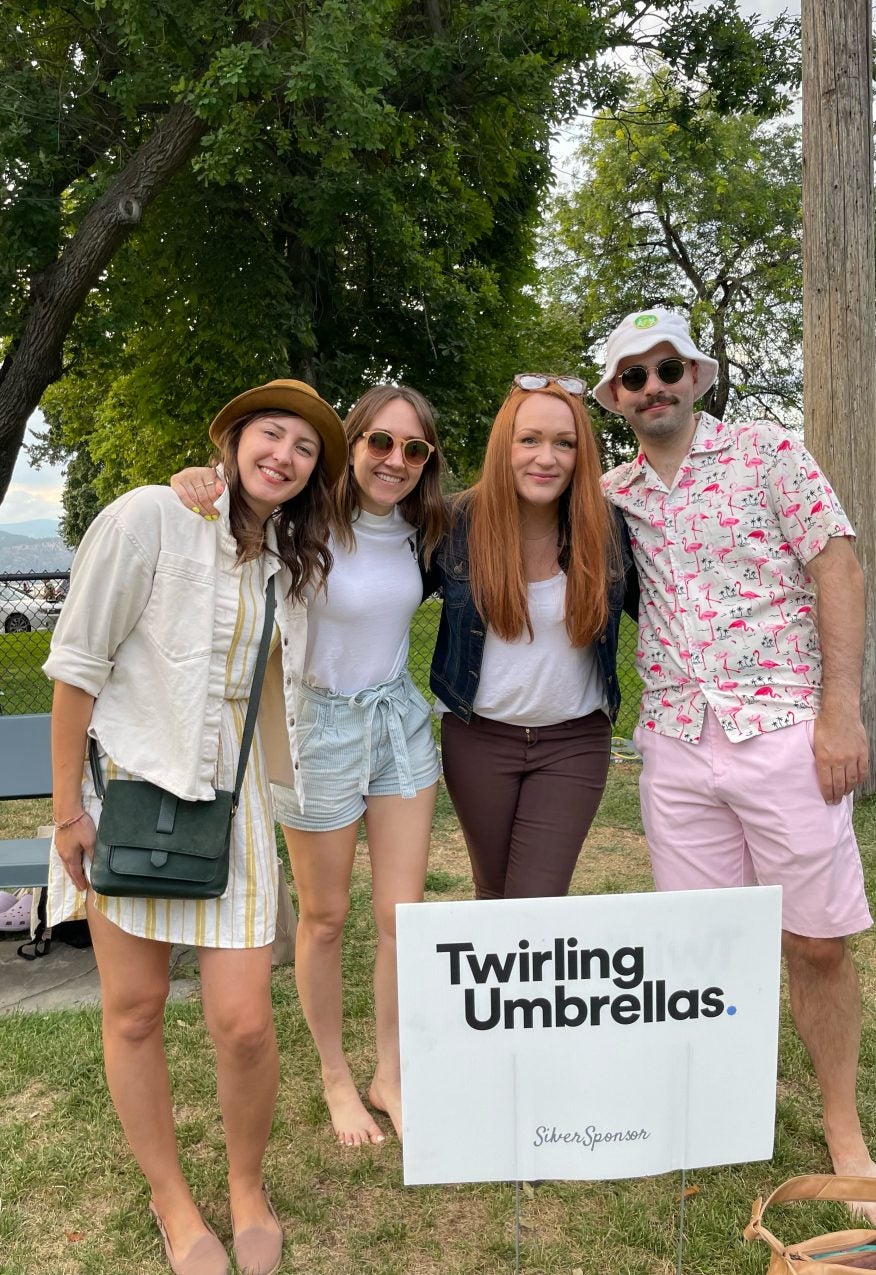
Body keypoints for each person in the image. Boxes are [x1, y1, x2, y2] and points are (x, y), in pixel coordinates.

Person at [45, 380, 347, 1275]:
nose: (285, 455)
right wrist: (66, 809)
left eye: (304, 447)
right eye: (271, 433)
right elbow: (75, 666)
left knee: (246, 1022)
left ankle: (247, 1186)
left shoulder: (285, 561)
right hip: (130, 797)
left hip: (235, 807)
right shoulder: (150, 517)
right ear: (231, 437)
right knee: (134, 1012)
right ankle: (174, 1204)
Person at [594, 308, 875, 1209]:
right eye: (633, 377)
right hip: (675, 745)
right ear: (616, 399)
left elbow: (838, 565)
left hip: (785, 732)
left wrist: (841, 712)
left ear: (697, 375)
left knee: (816, 942)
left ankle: (843, 1125)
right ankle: (712, 1112)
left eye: (667, 367)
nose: (654, 387)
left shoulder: (768, 454)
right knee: (702, 949)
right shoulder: (612, 494)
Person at [170, 384, 446, 1149]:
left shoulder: (429, 528)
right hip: (315, 729)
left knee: (403, 918)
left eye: (413, 448)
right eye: (379, 443)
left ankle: (390, 1071)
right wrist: (196, 479)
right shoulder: (301, 520)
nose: (395, 460)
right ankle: (334, 1074)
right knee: (325, 919)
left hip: (398, 724)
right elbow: (227, 506)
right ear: (350, 444)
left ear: (428, 463)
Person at [430, 374, 636, 899]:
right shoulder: (455, 523)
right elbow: (369, 562)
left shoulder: (608, 527)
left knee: (535, 904)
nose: (547, 457)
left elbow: (674, 603)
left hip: (572, 743)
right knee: (492, 893)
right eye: (530, 440)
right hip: (478, 740)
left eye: (564, 443)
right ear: (506, 445)